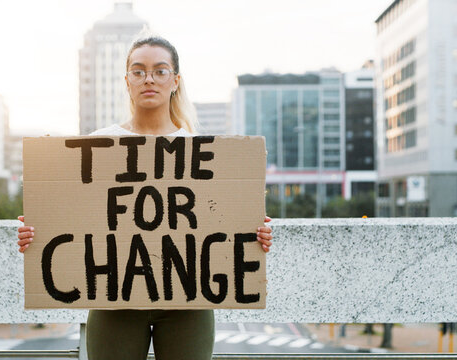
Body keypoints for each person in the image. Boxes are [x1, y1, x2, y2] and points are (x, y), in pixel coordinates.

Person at [16, 35, 274, 360]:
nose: (149, 79)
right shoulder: (99, 145)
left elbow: (224, 226)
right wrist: (36, 233)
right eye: (138, 71)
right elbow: (71, 218)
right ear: (127, 81)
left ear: (175, 81)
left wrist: (256, 234)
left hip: (187, 304)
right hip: (114, 301)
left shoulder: (203, 151)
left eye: (160, 71)